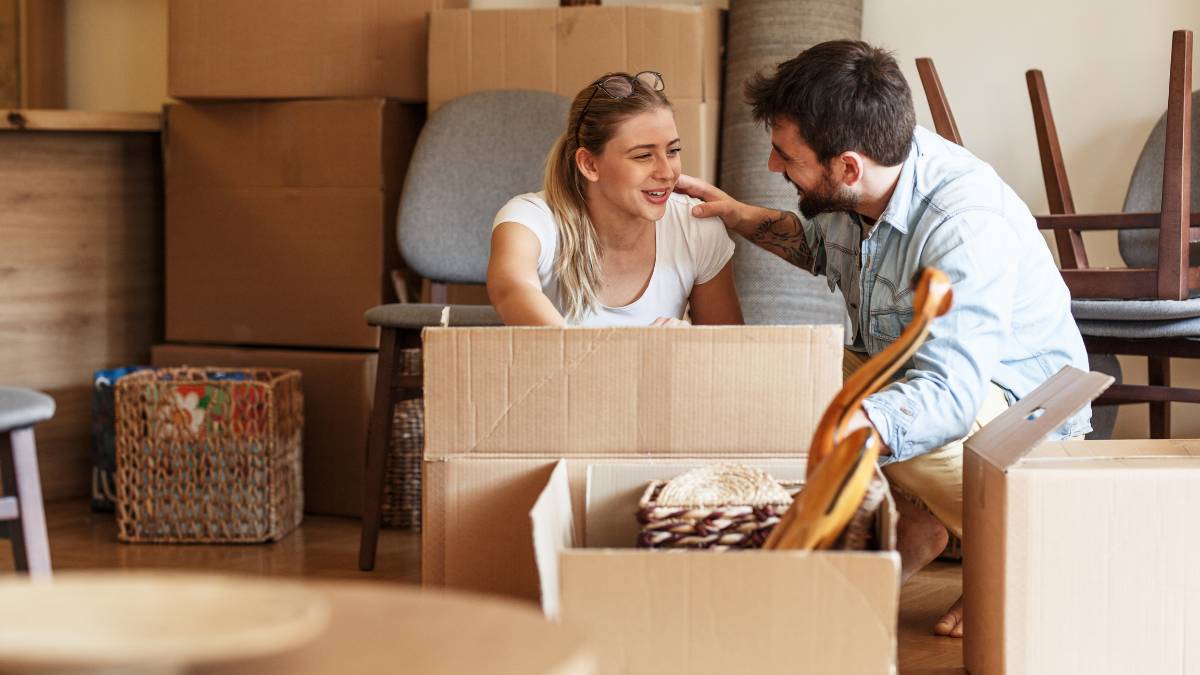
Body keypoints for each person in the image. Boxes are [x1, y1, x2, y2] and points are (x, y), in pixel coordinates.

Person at [676, 40, 1091, 638]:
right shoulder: (871, 175)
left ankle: (1020, 556)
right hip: (935, 382)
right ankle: (921, 524)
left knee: (882, 415)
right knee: (799, 374)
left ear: (846, 166)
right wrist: (743, 217)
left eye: (785, 155)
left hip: (1023, 418)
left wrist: (849, 425)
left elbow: (948, 397)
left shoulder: (962, 227)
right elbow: (828, 251)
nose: (772, 167)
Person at [488, 71, 743, 327]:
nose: (667, 173)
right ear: (589, 164)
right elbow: (511, 289)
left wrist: (686, 350)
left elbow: (729, 355)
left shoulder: (697, 227)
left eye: (673, 150)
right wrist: (631, 355)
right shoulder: (528, 220)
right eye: (643, 156)